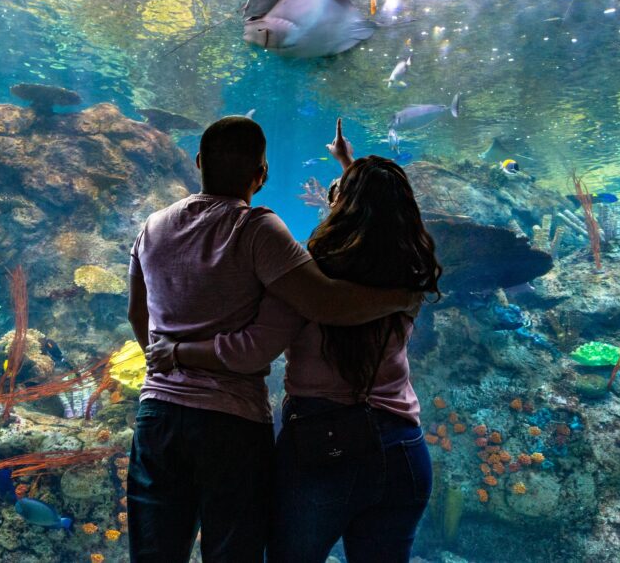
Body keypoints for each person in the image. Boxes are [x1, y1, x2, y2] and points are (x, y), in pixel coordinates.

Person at [127, 116, 422, 563]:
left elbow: (138, 313)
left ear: (198, 162)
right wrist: (403, 296)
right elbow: (327, 300)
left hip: (162, 417)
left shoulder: (153, 227)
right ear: (262, 174)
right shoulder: (261, 231)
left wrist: (171, 357)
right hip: (235, 424)